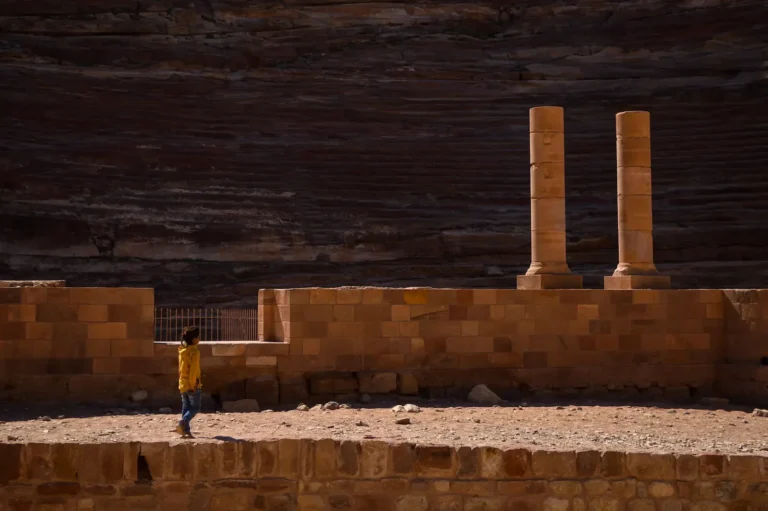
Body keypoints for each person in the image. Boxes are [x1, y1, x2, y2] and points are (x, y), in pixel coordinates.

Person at [176, 326, 202, 437]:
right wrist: (193, 385)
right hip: (192, 385)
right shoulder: (194, 352)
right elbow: (193, 370)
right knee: (195, 408)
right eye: (198, 337)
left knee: (185, 407)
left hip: (183, 384)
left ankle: (185, 431)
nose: (199, 339)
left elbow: (181, 368)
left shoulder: (182, 351)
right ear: (194, 339)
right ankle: (183, 422)